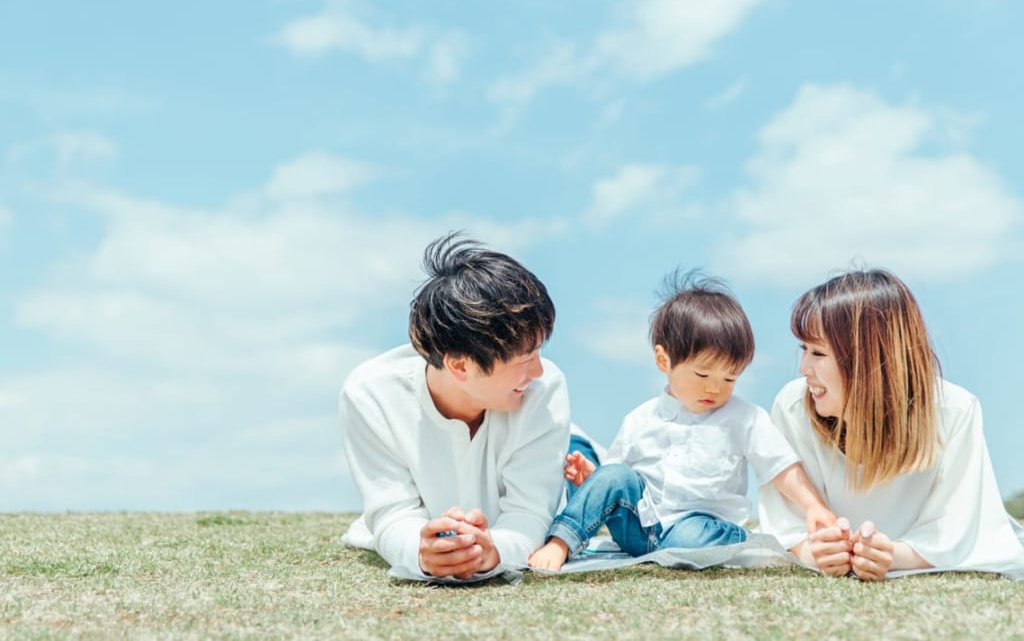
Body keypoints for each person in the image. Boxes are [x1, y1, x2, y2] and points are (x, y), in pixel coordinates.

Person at [528, 272, 835, 572]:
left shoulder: (745, 417)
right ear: (664, 361)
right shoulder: (640, 419)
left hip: (699, 527)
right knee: (612, 475)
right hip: (640, 528)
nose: (715, 388)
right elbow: (619, 477)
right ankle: (560, 543)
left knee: (690, 537)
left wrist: (813, 507)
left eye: (729, 378)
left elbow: (780, 466)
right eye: (703, 374)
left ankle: (739, 540)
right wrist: (593, 478)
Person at [758, 269, 1024, 581]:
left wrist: (894, 555)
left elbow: (960, 527)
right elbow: (783, 524)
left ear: (867, 359)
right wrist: (814, 552)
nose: (803, 368)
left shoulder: (954, 411)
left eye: (818, 352)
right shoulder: (791, 407)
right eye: (803, 349)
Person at [339, 233, 570, 580]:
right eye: (525, 358)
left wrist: (495, 551)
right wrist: (421, 553)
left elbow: (531, 512)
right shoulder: (370, 395)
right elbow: (392, 513)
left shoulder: (545, 388)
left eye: (539, 352)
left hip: (562, 462)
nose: (537, 371)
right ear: (460, 366)